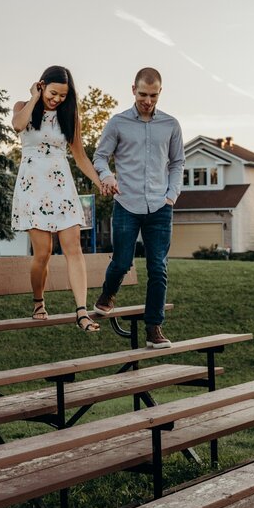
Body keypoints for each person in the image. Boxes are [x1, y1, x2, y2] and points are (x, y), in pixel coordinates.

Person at [11, 68, 116, 330]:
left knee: (73, 248)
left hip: (61, 186)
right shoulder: (24, 106)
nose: (57, 99)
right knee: (43, 253)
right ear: (42, 86)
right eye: (53, 93)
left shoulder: (69, 117)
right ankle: (38, 300)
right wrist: (34, 98)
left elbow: (80, 157)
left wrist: (100, 181)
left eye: (63, 95)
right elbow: (17, 125)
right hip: (33, 187)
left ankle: (81, 312)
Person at [92, 71, 185, 347]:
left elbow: (177, 162)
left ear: (160, 92)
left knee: (158, 268)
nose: (147, 100)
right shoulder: (118, 123)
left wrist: (171, 195)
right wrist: (106, 176)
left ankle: (154, 328)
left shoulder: (171, 125)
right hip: (126, 203)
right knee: (122, 262)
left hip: (160, 206)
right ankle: (108, 293)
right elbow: (100, 156)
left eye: (153, 95)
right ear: (133, 90)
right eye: (142, 94)